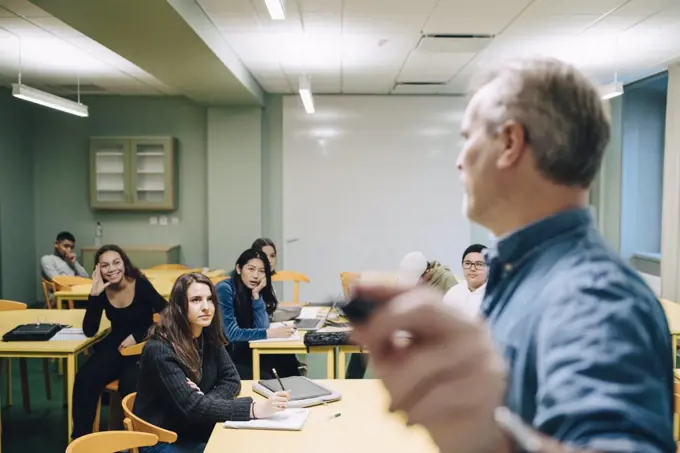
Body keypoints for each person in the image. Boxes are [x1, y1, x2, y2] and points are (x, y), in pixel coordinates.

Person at [351, 57, 674, 453]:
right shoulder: (522, 276)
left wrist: (487, 433)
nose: (459, 159)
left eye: (467, 138)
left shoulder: (592, 298)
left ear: (509, 143)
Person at [134, 273, 290, 453]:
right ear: (179, 306)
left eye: (210, 300)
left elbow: (231, 379)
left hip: (194, 427)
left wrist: (204, 402)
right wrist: (254, 409)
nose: (206, 307)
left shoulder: (206, 335)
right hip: (164, 439)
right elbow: (194, 408)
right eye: (196, 300)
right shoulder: (159, 349)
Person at [72, 244, 167, 440]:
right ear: (98, 269)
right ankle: (81, 438)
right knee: (85, 377)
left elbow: (166, 312)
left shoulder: (139, 283)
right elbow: (89, 330)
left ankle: (132, 439)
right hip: (116, 345)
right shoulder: (101, 290)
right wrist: (94, 294)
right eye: (105, 265)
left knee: (130, 384)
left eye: (116, 262)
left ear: (124, 263)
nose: (112, 269)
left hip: (142, 345)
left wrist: (138, 335)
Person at [216, 249, 301, 379]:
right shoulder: (225, 289)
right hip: (225, 358)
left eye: (261, 271)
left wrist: (256, 295)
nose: (255, 276)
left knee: (286, 357)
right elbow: (231, 334)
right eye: (251, 269)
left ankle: (298, 394)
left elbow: (262, 325)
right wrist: (270, 334)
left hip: (244, 349)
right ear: (239, 269)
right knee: (266, 376)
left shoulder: (251, 290)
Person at [443, 244, 488, 317]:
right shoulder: (454, 292)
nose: (472, 269)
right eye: (467, 263)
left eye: (479, 264)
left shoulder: (492, 295)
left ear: (489, 267)